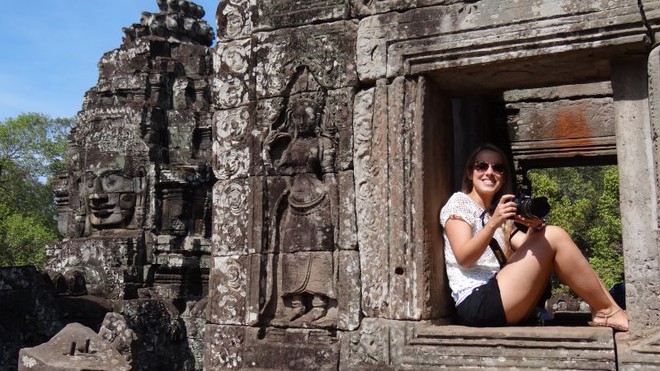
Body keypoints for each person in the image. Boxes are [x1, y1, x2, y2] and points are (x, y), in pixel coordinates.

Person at [440, 143, 629, 331]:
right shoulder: (459, 203)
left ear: (503, 176)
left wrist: (534, 228)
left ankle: (609, 309)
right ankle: (607, 311)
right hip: (477, 301)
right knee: (554, 235)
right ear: (469, 172)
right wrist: (493, 223)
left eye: (497, 167)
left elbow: (527, 248)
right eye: (481, 166)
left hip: (503, 297)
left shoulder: (497, 213)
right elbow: (464, 258)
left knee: (549, 235)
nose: (489, 172)